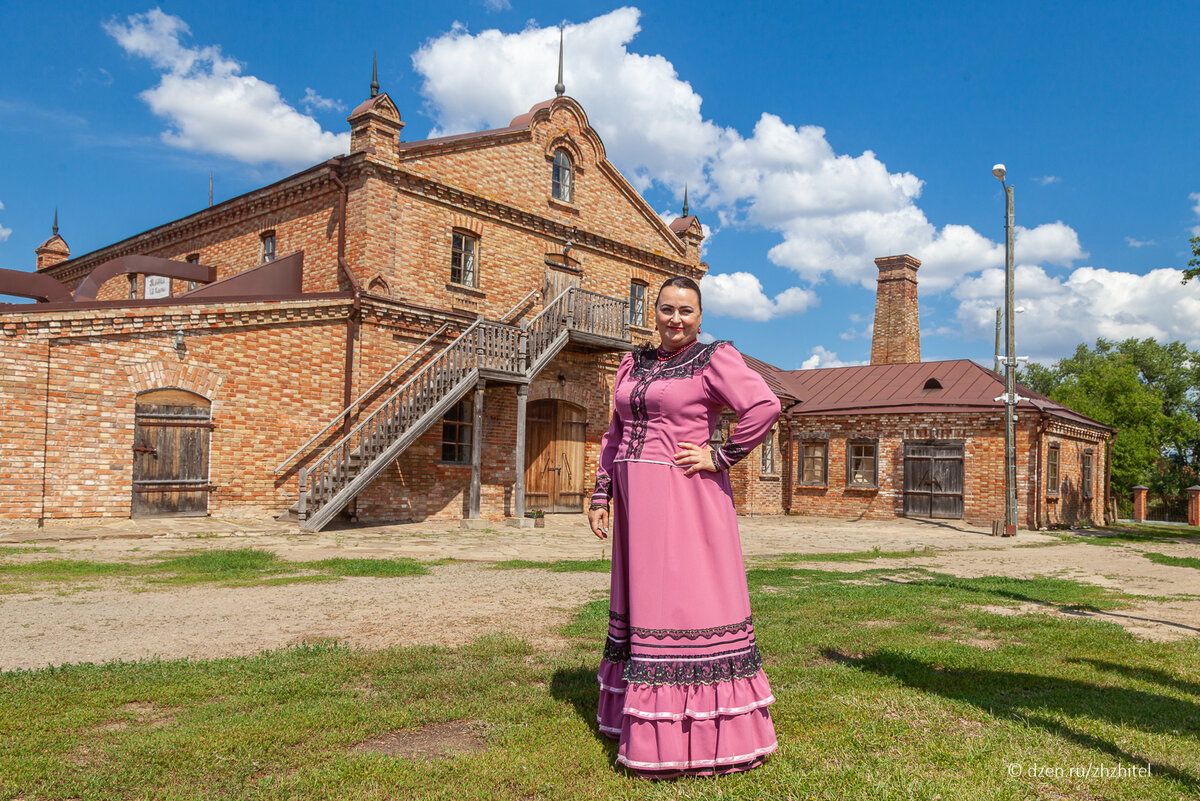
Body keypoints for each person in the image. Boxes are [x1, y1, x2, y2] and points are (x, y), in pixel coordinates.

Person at [587, 275, 780, 777]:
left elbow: (764, 406)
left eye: (686, 311)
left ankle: (698, 734)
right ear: (654, 311)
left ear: (700, 316)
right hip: (635, 505)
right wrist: (601, 493)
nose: (676, 319)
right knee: (645, 607)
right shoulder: (634, 362)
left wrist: (722, 455)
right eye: (667, 309)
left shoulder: (715, 358)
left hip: (686, 497)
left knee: (685, 605)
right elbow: (616, 434)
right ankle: (641, 717)